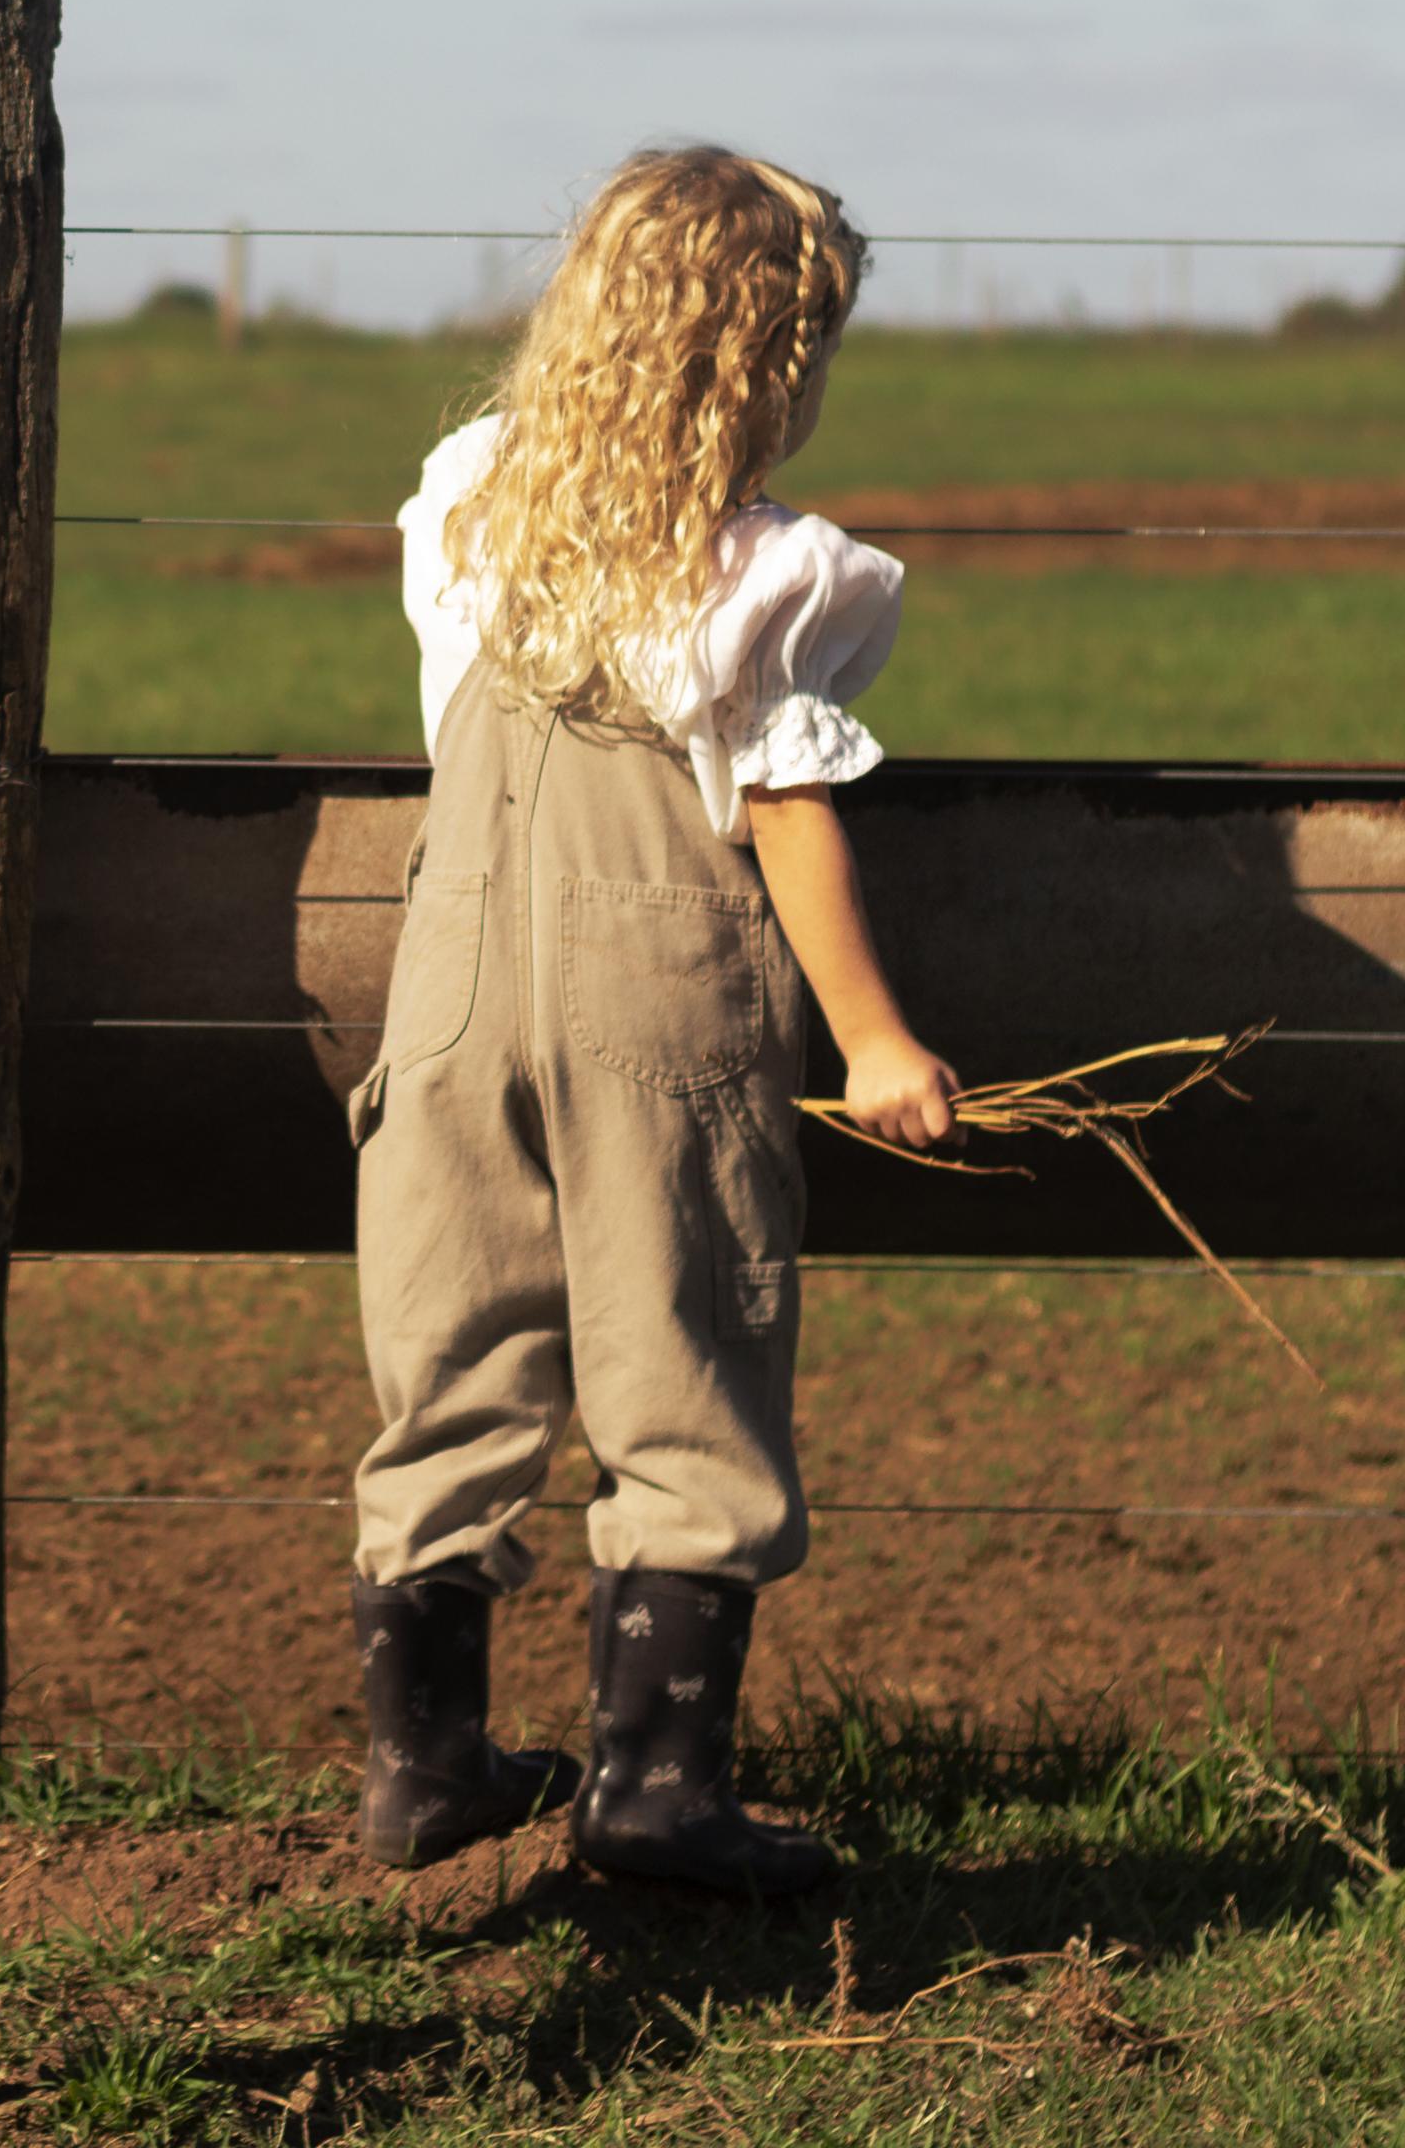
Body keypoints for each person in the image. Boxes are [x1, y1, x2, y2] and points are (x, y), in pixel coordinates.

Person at [341, 147, 959, 1901]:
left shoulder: (470, 503)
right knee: (681, 1348)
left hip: (452, 987)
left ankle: (425, 1775)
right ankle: (658, 1790)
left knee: (449, 1350)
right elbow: (783, 808)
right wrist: (875, 1040)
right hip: (653, 998)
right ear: (769, 366)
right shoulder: (763, 576)